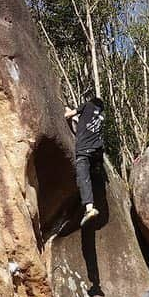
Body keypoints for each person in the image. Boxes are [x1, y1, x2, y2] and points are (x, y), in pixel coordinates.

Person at [64, 92, 105, 226]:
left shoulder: (87, 105)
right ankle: (97, 168)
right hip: (97, 151)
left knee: (83, 178)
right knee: (94, 167)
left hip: (84, 150)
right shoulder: (101, 117)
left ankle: (89, 208)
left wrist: (68, 110)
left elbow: (68, 115)